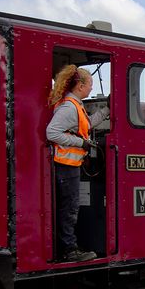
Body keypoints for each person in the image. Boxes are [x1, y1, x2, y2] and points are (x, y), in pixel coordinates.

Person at [45, 65, 110, 262]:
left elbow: (87, 124)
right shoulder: (69, 107)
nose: (91, 88)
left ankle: (69, 246)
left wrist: (107, 109)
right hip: (65, 166)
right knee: (69, 208)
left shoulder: (76, 105)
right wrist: (80, 143)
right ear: (80, 86)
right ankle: (69, 249)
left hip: (71, 165)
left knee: (71, 207)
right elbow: (52, 132)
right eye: (90, 84)